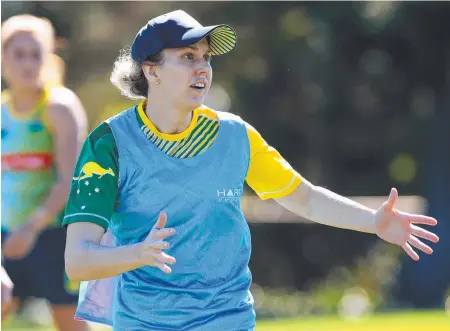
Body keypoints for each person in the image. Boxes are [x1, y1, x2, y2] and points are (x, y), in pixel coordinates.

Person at [63, 10, 439, 331]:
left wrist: (372, 221)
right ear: (152, 72)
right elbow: (78, 260)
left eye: (206, 58)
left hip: (227, 317)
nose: (203, 69)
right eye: (188, 57)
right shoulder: (108, 145)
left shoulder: (234, 136)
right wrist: (139, 254)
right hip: (145, 322)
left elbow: (304, 198)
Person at [1, 14, 89, 331]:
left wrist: (30, 229)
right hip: (6, 235)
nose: (28, 63)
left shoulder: (59, 107)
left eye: (35, 53)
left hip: (53, 235)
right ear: (3, 59)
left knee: (70, 324)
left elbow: (71, 181)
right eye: (18, 54)